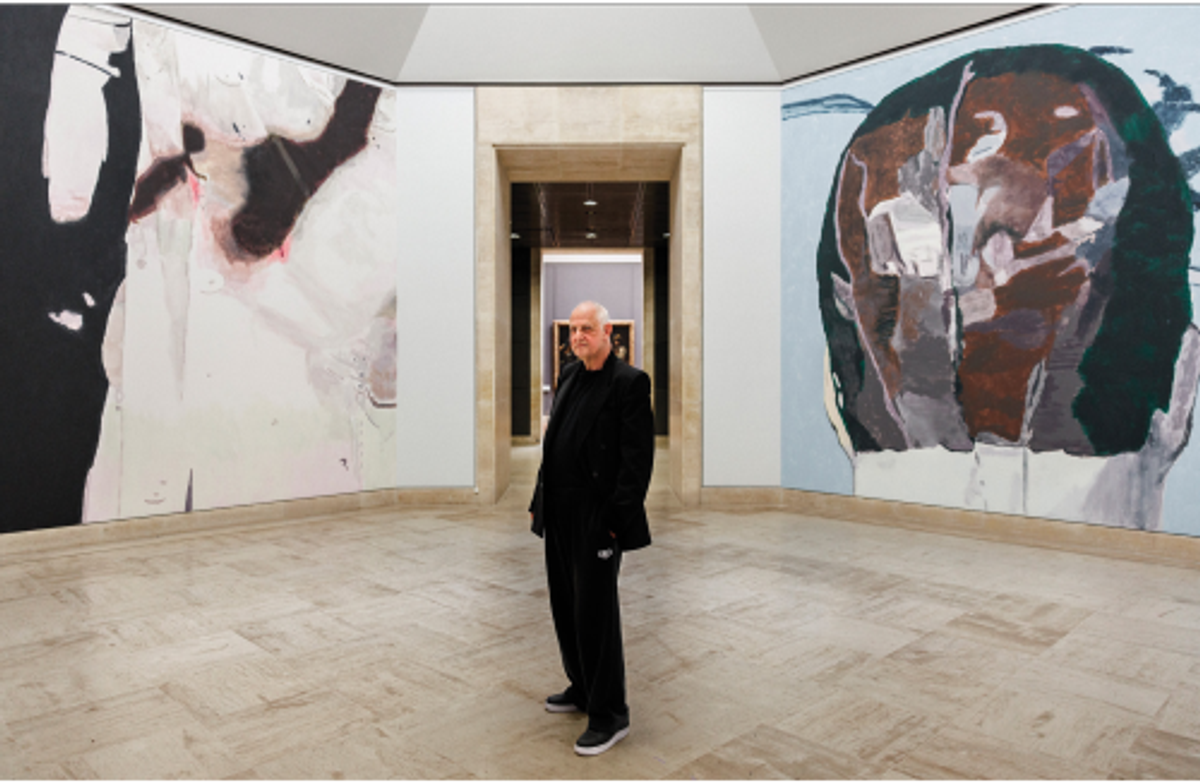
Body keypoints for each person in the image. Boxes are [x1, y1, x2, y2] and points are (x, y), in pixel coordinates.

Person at [529, 300, 654, 756]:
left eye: (587, 329)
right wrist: (538, 502)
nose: (578, 335)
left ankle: (610, 714)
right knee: (565, 606)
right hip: (560, 514)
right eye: (573, 329)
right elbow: (555, 443)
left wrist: (616, 522)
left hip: (597, 520)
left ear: (608, 335)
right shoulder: (569, 374)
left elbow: (637, 463)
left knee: (595, 615)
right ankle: (582, 688)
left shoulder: (629, 384)